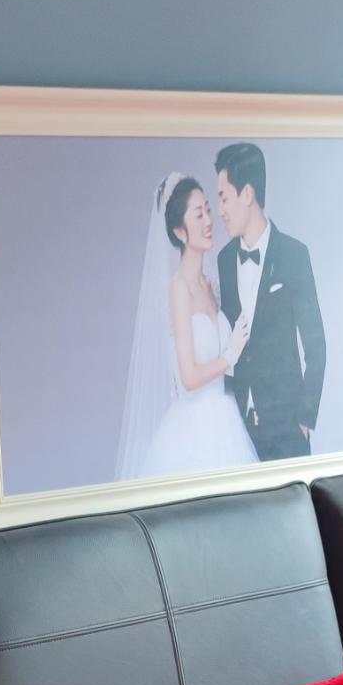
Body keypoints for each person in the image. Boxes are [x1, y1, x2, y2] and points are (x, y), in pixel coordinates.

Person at [112, 173, 258, 483]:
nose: (209, 221)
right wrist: (229, 356)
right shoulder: (179, 289)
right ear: (180, 231)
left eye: (208, 210)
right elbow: (188, 378)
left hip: (226, 418)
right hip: (195, 428)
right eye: (198, 214)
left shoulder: (210, 284)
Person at [214, 142, 327, 462]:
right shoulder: (224, 260)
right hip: (238, 431)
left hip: (287, 431)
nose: (220, 210)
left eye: (224, 197)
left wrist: (304, 419)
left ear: (247, 194)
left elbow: (316, 344)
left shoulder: (294, 255)